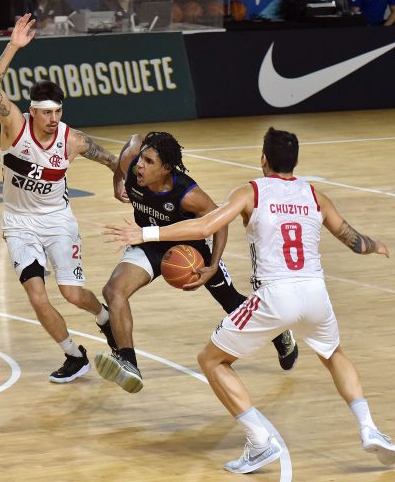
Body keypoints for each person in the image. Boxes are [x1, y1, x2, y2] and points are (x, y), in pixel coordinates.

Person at [104, 128, 395, 473]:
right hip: (316, 294)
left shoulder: (251, 191)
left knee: (212, 360)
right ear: (295, 161)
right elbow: (353, 241)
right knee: (333, 354)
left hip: (275, 296)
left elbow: (204, 227)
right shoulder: (315, 196)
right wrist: (375, 245)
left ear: (263, 159)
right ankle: (369, 428)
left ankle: (259, 442)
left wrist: (145, 233)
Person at [92, 132, 298, 394]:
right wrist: (117, 180)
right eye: (141, 158)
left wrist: (213, 264)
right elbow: (133, 141)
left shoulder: (188, 195)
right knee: (113, 291)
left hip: (190, 247)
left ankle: (278, 332)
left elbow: (220, 222)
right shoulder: (132, 164)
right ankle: (128, 363)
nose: (140, 165)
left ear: (166, 169)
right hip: (149, 240)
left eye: (149, 161)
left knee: (231, 303)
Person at [0, 13, 121, 383]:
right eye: (46, 112)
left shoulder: (71, 140)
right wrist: (13, 46)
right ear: (32, 111)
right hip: (18, 222)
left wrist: (118, 178)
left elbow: (110, 159)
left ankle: (104, 317)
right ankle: (74, 355)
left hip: (57, 220)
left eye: (58, 112)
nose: (53, 119)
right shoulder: (14, 126)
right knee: (37, 297)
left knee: (72, 294)